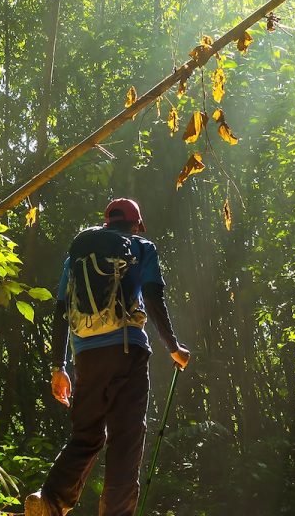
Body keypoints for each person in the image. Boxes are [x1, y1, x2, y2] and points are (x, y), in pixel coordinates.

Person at [24, 198, 191, 516]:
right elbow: (153, 297)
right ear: (136, 223)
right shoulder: (141, 246)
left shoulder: (79, 251)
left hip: (86, 355)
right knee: (125, 439)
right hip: (127, 351)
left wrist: (58, 366)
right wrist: (173, 347)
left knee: (86, 433)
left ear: (106, 222)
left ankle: (51, 499)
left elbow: (61, 308)